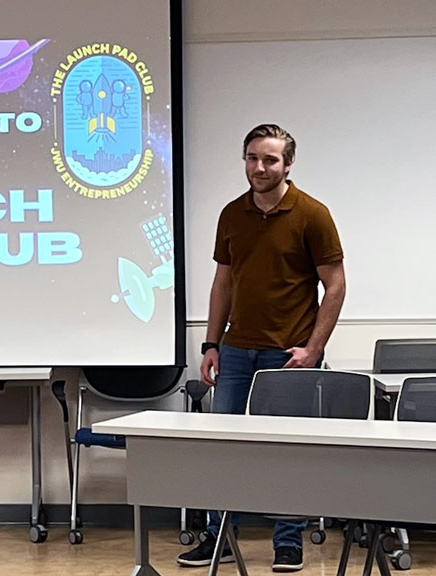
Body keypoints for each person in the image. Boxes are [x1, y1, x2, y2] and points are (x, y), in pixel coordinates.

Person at [177, 124, 345, 572]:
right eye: (252, 157)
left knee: (284, 450)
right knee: (224, 448)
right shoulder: (232, 214)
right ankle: (219, 538)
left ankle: (287, 542)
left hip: (288, 355)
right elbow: (223, 282)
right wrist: (212, 343)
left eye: (270, 159)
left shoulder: (312, 214)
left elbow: (335, 285)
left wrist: (313, 349)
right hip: (235, 352)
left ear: (288, 164)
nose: (259, 167)